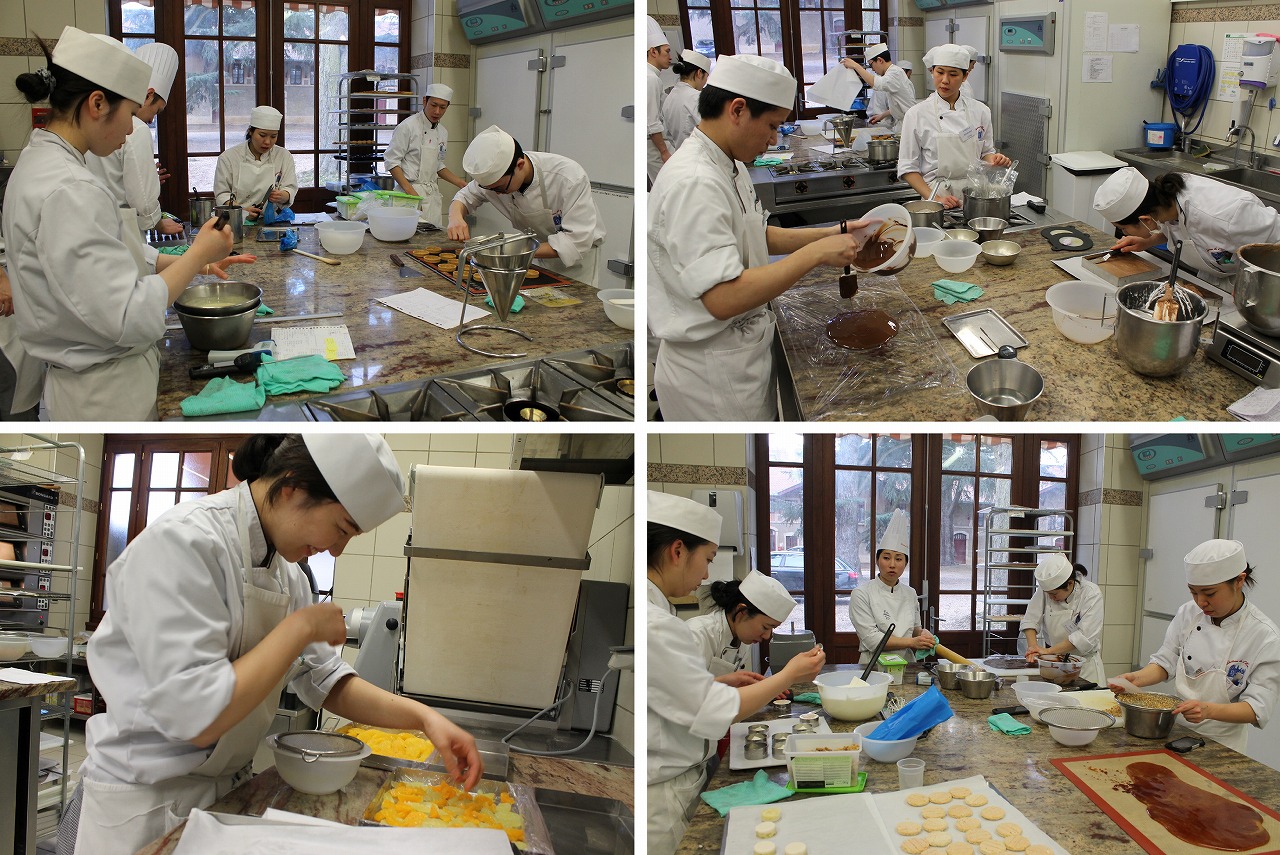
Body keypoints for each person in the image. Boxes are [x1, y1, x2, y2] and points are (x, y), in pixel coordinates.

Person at [68, 435, 483, 854]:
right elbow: (195, 716)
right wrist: (300, 628)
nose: (337, 550)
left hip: (224, 794)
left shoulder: (289, 576)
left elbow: (327, 680)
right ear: (292, 486)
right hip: (144, 801)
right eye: (341, 528)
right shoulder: (184, 544)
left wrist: (425, 719)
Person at [3, 27, 252, 421]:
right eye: (131, 113)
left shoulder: (41, 162)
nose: (133, 129)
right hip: (105, 392)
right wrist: (197, 254)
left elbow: (103, 259)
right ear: (97, 103)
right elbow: (128, 314)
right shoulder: (70, 188)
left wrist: (189, 263)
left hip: (92, 384)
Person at [649, 54, 869, 421]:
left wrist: (833, 233)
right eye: (771, 126)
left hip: (738, 354)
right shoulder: (695, 181)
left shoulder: (729, 162)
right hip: (710, 375)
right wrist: (816, 254)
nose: (773, 139)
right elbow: (723, 297)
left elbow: (754, 233)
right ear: (737, 110)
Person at [648, 491, 825, 855]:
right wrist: (787, 675)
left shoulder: (661, 617)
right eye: (707, 559)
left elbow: (673, 691)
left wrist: (719, 682)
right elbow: (710, 708)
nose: (706, 574)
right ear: (678, 551)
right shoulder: (669, 628)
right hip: (663, 789)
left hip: (686, 770)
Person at [1113, 539, 1280, 753]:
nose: (1201, 602)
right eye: (1193, 592)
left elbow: (1256, 709)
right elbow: (1166, 662)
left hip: (1223, 746)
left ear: (1239, 581)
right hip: (1174, 732)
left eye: (1210, 593)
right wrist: (1135, 679)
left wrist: (1208, 710)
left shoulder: (1264, 636)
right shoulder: (1188, 613)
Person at [447, 125, 606, 286]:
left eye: (500, 188)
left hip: (577, 263)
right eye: (490, 189)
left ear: (520, 165)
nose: (498, 194)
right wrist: (455, 218)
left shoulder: (568, 178)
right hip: (534, 253)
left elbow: (575, 241)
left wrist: (511, 250)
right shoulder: (495, 181)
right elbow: (464, 196)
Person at [1093, 166, 1280, 278]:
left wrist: (1253, 285)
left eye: (1123, 229)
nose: (1124, 234)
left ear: (1145, 220)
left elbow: (1276, 242)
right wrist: (1148, 241)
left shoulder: (1227, 215)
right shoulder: (1164, 203)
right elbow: (1180, 230)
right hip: (1214, 276)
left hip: (1249, 283)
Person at [897, 44, 1011, 209]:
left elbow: (986, 152)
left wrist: (994, 159)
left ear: (965, 76)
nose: (945, 80)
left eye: (953, 74)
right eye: (940, 72)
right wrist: (935, 198)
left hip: (976, 194)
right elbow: (907, 168)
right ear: (932, 72)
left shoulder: (981, 111)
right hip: (937, 196)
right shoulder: (916, 114)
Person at [85, 42, 182, 235]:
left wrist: (147, 177)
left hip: (93, 224)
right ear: (148, 95)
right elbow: (143, 202)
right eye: (157, 110)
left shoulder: (91, 124)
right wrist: (158, 223)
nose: (152, 119)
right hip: (121, 229)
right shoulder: (138, 129)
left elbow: (112, 177)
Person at [848, 510, 936, 664]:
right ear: (877, 561)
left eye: (899, 559)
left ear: (905, 563)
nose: (892, 564)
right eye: (886, 558)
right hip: (873, 665)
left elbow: (915, 629)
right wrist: (912, 642)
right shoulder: (861, 594)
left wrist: (923, 633)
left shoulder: (910, 593)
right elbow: (872, 640)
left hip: (907, 665)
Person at [686, 570, 796, 679]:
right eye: (765, 627)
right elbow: (686, 688)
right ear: (742, 611)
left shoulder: (743, 639)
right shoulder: (696, 634)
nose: (767, 636)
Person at [385, 83, 468, 227]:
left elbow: (438, 165)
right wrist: (412, 194)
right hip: (408, 194)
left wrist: (461, 183)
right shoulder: (407, 127)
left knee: (433, 237)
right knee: (408, 236)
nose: (437, 111)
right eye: (433, 105)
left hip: (431, 196)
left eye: (442, 107)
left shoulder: (442, 132)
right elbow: (391, 161)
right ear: (425, 101)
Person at [1019, 554, 1105, 685]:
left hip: (1085, 668)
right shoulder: (1047, 589)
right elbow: (1030, 619)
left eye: (1054, 594)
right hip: (1055, 664)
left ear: (1070, 583)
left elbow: (1084, 638)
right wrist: (1033, 647)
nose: (1050, 597)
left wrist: (1047, 651)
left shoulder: (1091, 594)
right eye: (1048, 594)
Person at [213, 105, 298, 221]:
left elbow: (290, 187)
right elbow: (222, 194)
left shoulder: (283, 156)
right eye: (262, 135)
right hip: (236, 220)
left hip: (270, 220)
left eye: (273, 136)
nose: (267, 142)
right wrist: (241, 211)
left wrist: (283, 195)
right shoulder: (229, 158)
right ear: (250, 132)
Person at [840, 43, 915, 129]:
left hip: (908, 124)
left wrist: (856, 66)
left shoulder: (895, 73)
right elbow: (898, 105)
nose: (872, 69)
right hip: (904, 123)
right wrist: (881, 116)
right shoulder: (893, 72)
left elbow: (876, 83)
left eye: (871, 65)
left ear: (880, 60)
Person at [661, 49, 711, 152]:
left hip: (680, 154)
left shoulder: (669, 97)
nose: (705, 81)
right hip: (701, 154)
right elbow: (712, 133)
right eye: (706, 76)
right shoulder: (697, 98)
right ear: (699, 73)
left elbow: (668, 134)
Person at [646, 16, 673, 185]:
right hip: (654, 147)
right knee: (667, 188)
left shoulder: (652, 76)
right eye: (667, 51)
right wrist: (664, 152)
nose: (670, 56)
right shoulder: (650, 79)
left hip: (655, 144)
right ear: (653, 52)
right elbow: (651, 123)